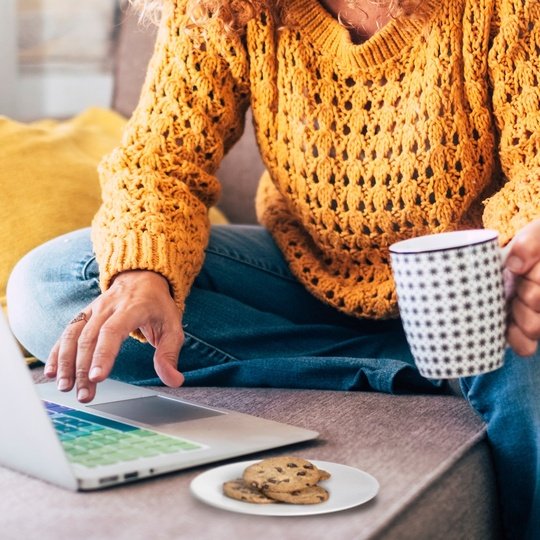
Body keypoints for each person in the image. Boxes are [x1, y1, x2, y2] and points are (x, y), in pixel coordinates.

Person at [6, 0, 540, 536]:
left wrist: (520, 255)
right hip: (304, 274)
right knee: (53, 283)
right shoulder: (224, 8)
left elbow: (533, 170)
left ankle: (454, 361)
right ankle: (408, 364)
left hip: (472, 290)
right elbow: (161, 161)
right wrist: (143, 274)